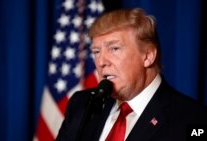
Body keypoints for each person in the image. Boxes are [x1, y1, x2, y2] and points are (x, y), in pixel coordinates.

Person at [56, 8, 207, 141]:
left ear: (147, 56)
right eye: (96, 52)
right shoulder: (82, 105)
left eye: (114, 49)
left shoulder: (193, 119)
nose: (101, 61)